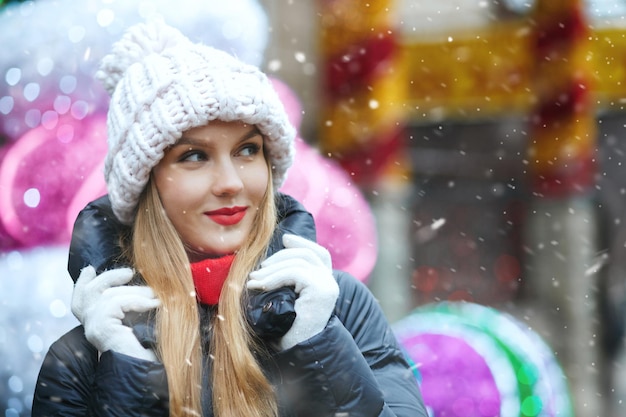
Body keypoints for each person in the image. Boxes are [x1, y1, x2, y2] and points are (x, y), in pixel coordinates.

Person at [32, 20, 428, 417]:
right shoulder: (88, 355)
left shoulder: (336, 307)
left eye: (247, 150)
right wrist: (128, 371)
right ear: (146, 185)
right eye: (194, 156)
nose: (230, 182)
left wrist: (316, 345)